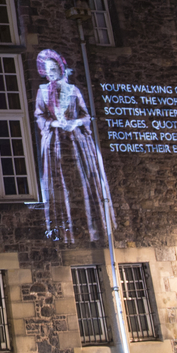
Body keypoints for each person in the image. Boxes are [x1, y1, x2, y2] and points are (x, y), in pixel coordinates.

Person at [33, 49, 109, 243]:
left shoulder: (73, 90)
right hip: (54, 143)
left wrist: (75, 122)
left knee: (81, 178)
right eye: (47, 70)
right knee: (57, 180)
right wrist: (53, 124)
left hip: (76, 141)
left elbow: (85, 114)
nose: (50, 73)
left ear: (61, 68)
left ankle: (90, 225)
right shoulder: (42, 91)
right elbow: (39, 115)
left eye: (53, 69)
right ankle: (61, 226)